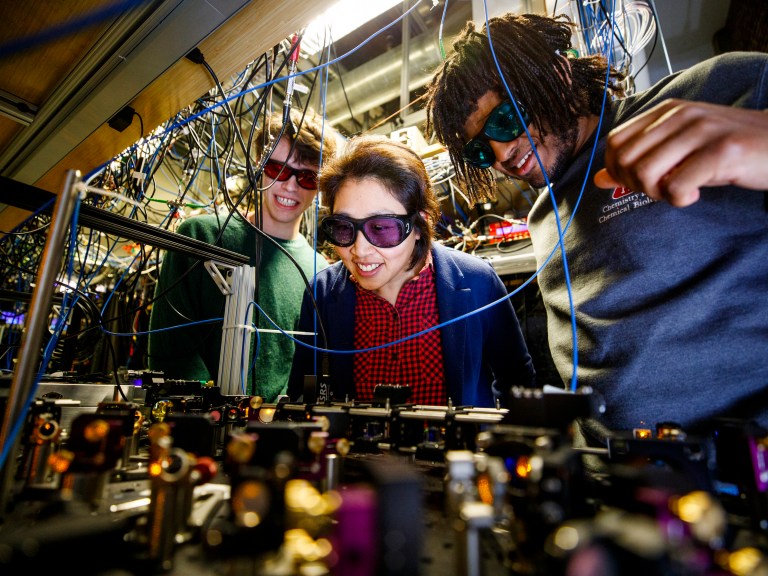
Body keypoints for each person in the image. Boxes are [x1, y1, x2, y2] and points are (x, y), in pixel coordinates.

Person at [424, 12, 768, 443]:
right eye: (479, 150)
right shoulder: (543, 219)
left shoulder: (706, 96)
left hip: (732, 483)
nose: (501, 153)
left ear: (558, 73)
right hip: (605, 487)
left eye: (506, 119)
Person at [287, 135, 536, 407]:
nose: (359, 250)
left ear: (419, 225)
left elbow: (518, 384)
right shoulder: (321, 293)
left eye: (381, 228)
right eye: (344, 228)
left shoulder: (479, 282)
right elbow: (303, 391)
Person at [148, 108, 341, 402]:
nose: (290, 186)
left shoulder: (318, 270)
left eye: (307, 178)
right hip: (199, 428)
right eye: (278, 169)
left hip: (280, 433)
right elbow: (170, 349)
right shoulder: (201, 236)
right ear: (257, 166)